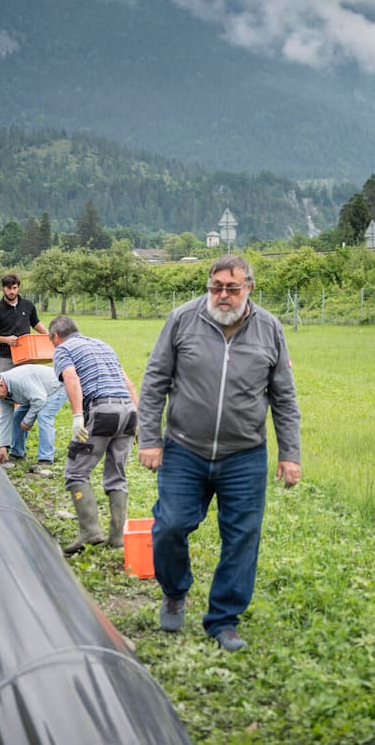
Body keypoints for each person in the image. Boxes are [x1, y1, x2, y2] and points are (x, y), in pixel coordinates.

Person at [138, 254, 301, 652]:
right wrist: (149, 439)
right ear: (208, 285)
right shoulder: (183, 319)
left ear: (249, 288)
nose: (223, 295)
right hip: (184, 449)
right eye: (216, 287)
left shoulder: (269, 329)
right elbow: (155, 380)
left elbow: (283, 395)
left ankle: (223, 619)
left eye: (232, 287)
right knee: (171, 525)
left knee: (243, 537)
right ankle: (175, 591)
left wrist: (289, 453)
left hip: (244, 454)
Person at [48, 315, 139, 556]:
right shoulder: (103, 345)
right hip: (128, 412)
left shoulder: (63, 349)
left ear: (55, 337)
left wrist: (78, 416)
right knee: (117, 475)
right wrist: (141, 420)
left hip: (103, 413)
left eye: (52, 342)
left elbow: (71, 378)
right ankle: (117, 538)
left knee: (76, 471)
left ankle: (90, 531)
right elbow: (128, 384)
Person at [0, 364, 68, 475]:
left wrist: (27, 421)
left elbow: (40, 400)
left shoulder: (19, 381)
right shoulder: (2, 393)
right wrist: (3, 446)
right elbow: (4, 418)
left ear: (1, 385)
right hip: (35, 393)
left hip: (56, 387)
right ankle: (17, 454)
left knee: (44, 416)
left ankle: (46, 459)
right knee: (17, 417)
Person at [0, 274, 49, 373]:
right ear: (3, 288)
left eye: (14, 288)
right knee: (4, 387)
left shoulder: (28, 305)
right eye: (9, 288)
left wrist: (48, 334)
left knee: (26, 386)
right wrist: (6, 340)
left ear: (18, 287)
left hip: (27, 356)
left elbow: (35, 322)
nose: (12, 292)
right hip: (6, 357)